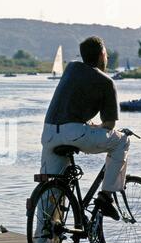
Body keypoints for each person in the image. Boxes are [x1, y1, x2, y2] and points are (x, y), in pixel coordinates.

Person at [41, 36, 130, 222]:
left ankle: (42, 242)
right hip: (74, 133)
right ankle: (106, 196)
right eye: (105, 55)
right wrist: (96, 126)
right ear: (101, 56)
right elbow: (110, 125)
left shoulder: (71, 68)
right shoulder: (106, 82)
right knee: (122, 141)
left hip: (49, 133)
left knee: (52, 187)